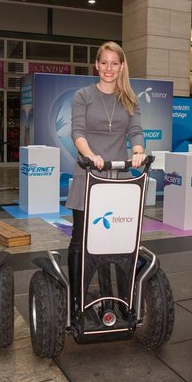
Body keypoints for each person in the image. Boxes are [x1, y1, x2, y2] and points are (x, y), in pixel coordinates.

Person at [65, 41, 146, 314]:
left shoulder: (129, 99)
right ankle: (76, 300)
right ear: (96, 65)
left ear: (121, 66)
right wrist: (90, 155)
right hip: (89, 174)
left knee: (119, 241)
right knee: (81, 239)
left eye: (114, 63)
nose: (108, 68)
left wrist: (138, 151)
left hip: (118, 178)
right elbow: (77, 132)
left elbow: (135, 131)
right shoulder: (83, 95)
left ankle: (121, 300)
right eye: (104, 63)